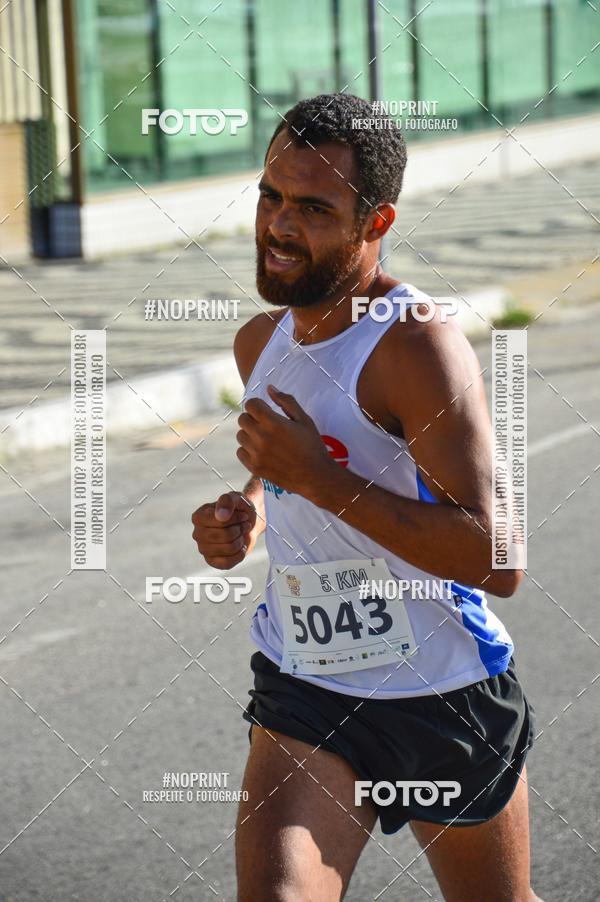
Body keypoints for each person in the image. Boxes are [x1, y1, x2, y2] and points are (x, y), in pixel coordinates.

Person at [192, 93, 539, 902]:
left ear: (374, 223)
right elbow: (293, 458)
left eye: (314, 208)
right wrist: (247, 510)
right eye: (271, 195)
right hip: (306, 683)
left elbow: (500, 558)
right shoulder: (261, 341)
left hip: (441, 691)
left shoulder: (416, 347)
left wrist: (320, 480)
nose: (279, 225)